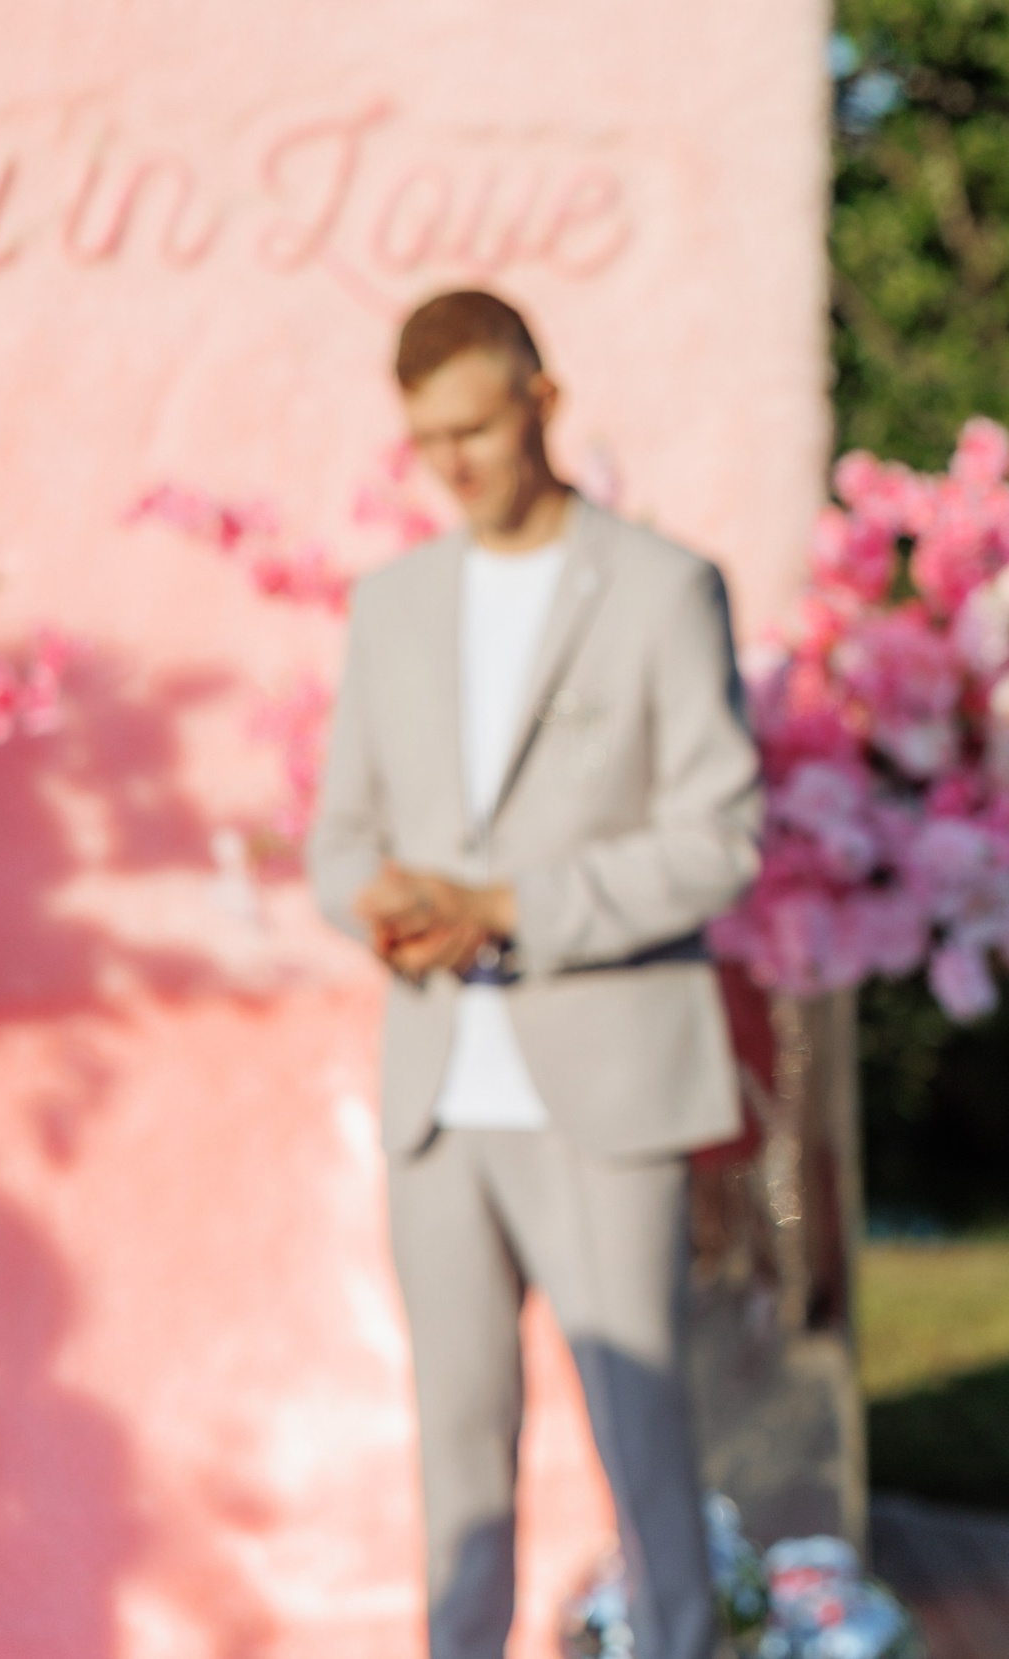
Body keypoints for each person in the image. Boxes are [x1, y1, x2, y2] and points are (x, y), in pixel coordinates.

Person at [308, 289, 761, 1659]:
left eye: (475, 424)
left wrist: (506, 904)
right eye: (425, 436)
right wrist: (380, 903)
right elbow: (338, 835)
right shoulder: (392, 604)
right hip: (439, 1089)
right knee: (457, 1447)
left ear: (541, 401)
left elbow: (721, 837)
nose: (452, 460)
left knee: (643, 1430)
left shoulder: (662, 584)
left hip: (606, 1081)